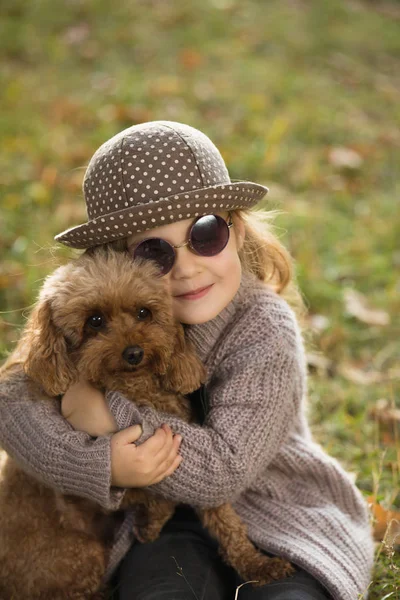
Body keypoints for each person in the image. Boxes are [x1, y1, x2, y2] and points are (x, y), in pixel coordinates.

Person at [0, 121, 374, 600]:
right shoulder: (93, 318)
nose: (187, 267)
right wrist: (99, 464)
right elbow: (14, 399)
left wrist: (111, 419)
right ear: (115, 263)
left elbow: (225, 469)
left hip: (283, 515)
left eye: (205, 233)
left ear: (236, 232)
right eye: (154, 251)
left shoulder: (265, 330)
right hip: (165, 524)